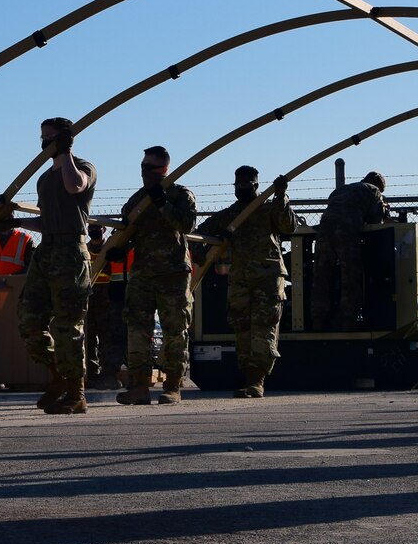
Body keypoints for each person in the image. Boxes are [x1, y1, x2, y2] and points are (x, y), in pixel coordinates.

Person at [11, 117, 97, 413]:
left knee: (68, 324)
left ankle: (76, 393)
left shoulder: (83, 167)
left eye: (52, 137)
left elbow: (75, 187)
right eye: (43, 136)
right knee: (29, 320)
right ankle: (58, 374)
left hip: (71, 252)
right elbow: (47, 218)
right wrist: (17, 222)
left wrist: (66, 153)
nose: (45, 142)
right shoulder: (44, 178)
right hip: (46, 250)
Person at [200, 166, 299, 397]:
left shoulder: (267, 209)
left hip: (267, 278)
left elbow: (289, 226)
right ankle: (248, 377)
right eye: (238, 184)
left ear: (256, 185)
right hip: (240, 279)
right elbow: (202, 232)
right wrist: (212, 243)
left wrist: (281, 196)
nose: (241, 188)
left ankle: (257, 379)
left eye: (246, 183)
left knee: (263, 328)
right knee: (242, 329)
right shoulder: (230, 215)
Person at [111, 146, 197, 405]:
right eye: (142, 166)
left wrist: (163, 204)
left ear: (163, 169)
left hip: (172, 273)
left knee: (175, 331)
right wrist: (120, 249)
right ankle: (138, 386)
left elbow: (186, 224)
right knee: (137, 329)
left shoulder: (180, 194)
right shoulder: (137, 199)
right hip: (143, 274)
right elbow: (130, 230)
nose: (144, 172)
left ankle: (172, 386)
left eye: (149, 167)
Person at [312, 171, 388, 330]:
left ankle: (318, 320)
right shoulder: (373, 191)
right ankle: (348, 321)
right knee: (350, 276)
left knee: (322, 276)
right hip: (347, 231)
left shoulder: (342, 190)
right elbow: (376, 222)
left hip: (324, 230)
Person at [83, 221, 126, 388]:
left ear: (104, 230)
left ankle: (108, 375)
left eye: (97, 228)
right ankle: (91, 375)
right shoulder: (84, 250)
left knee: (107, 339)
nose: (94, 231)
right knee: (88, 339)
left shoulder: (111, 249)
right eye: (91, 228)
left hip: (106, 298)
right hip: (88, 299)